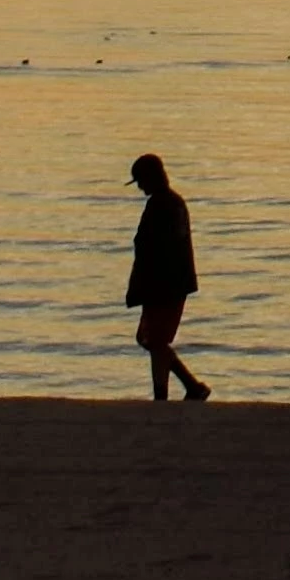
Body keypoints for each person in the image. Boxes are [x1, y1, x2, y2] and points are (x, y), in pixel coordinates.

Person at [125, 151, 209, 402]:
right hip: (167, 284)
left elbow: (159, 249)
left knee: (155, 341)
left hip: (165, 286)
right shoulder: (169, 202)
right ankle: (191, 386)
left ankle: (164, 396)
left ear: (152, 178)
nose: (139, 186)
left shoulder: (165, 204)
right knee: (149, 339)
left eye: (140, 180)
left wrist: (147, 285)